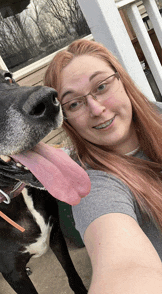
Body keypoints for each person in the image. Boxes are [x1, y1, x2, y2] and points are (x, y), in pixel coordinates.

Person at [44, 38, 162, 293]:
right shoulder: (92, 185)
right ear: (67, 121)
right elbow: (123, 268)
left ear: (122, 80)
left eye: (101, 86)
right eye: (74, 103)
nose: (96, 109)